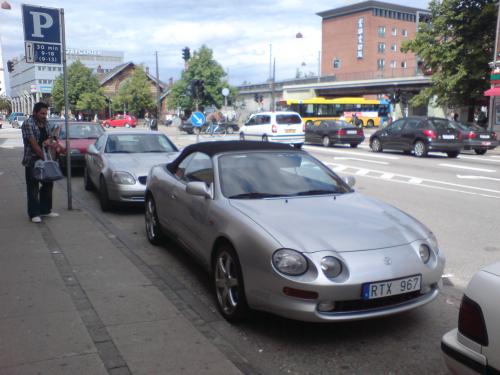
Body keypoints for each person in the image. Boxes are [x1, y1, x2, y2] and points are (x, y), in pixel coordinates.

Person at [21, 102, 60, 223]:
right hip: (32, 160)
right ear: (35, 112)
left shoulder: (47, 123)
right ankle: (34, 213)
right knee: (33, 187)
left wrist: (52, 139)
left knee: (48, 184)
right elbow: (34, 145)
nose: (44, 116)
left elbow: (51, 137)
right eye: (42, 113)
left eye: (46, 113)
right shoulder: (28, 123)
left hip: (45, 158)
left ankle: (45, 210)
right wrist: (45, 158)